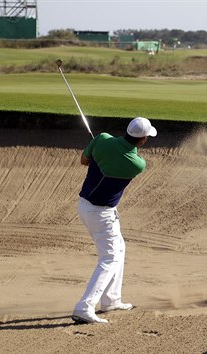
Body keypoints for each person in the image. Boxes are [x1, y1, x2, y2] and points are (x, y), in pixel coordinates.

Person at [71, 117, 157, 324]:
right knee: (109, 258)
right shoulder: (137, 163)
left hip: (85, 206)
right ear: (143, 140)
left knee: (119, 248)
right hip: (101, 214)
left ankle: (111, 299)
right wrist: (104, 155)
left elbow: (84, 161)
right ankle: (84, 307)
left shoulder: (102, 139)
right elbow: (119, 160)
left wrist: (98, 151)